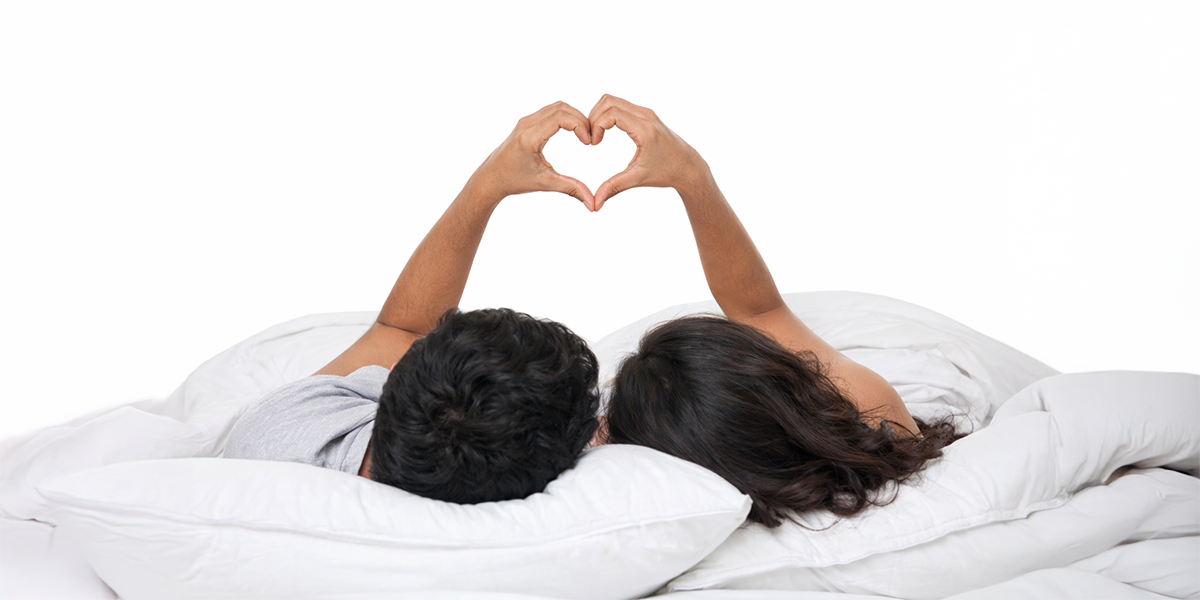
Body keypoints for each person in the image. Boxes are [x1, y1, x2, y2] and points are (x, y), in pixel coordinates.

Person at [585, 95, 959, 528]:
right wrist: (691, 174)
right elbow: (761, 312)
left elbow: (760, 314)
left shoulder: (636, 471)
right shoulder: (876, 421)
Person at [225, 101, 605, 503]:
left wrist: (489, 182)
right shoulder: (514, 495)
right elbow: (402, 331)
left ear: (390, 374)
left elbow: (400, 328)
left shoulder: (274, 436)